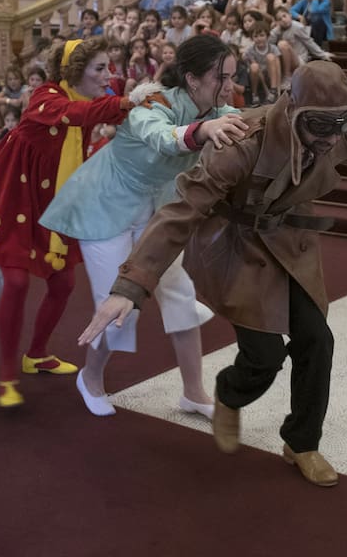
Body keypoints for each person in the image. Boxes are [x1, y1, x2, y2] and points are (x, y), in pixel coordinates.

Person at [78, 60, 347, 487]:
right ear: (293, 112)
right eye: (320, 128)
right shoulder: (241, 143)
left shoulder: (333, 133)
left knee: (317, 340)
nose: (330, 141)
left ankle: (302, 443)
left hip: (289, 241)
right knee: (265, 357)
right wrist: (131, 285)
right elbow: (183, 211)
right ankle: (230, 394)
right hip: (235, 246)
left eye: (339, 127)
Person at [41, 37, 247, 417]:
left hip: (156, 211)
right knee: (122, 302)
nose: (229, 86)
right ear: (192, 78)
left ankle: (194, 393)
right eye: (222, 77)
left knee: (181, 295)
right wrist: (203, 132)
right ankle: (90, 377)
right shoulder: (151, 104)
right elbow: (163, 139)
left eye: (232, 77)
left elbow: (249, 125)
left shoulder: (216, 109)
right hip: (103, 208)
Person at [0, 39, 135, 408]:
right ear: (75, 71)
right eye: (101, 68)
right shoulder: (47, 96)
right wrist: (123, 101)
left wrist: (144, 101)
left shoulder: (90, 98)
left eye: (110, 68)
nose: (109, 76)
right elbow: (78, 114)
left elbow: (109, 113)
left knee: (63, 282)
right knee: (17, 280)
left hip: (55, 200)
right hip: (11, 198)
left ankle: (37, 353)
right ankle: (7, 375)